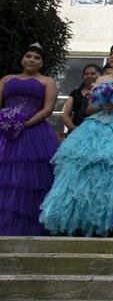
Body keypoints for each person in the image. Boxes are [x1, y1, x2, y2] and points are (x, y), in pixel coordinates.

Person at [40, 43, 113, 236]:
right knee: (81, 169)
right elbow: (89, 109)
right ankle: (78, 219)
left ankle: (112, 220)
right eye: (111, 53)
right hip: (95, 125)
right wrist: (103, 103)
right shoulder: (102, 79)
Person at [0, 44, 60, 235]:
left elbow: (48, 109)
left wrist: (24, 124)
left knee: (26, 177)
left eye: (36, 58)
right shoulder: (7, 79)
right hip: (4, 130)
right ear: (22, 59)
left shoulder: (47, 81)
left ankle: (24, 224)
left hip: (33, 132)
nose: (31, 60)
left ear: (41, 63)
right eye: (28, 56)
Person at [61, 63, 101, 131]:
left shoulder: (105, 92)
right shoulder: (75, 93)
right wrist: (73, 129)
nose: (89, 76)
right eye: (86, 74)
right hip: (76, 130)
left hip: (98, 130)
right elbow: (66, 115)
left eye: (93, 73)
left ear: (101, 76)